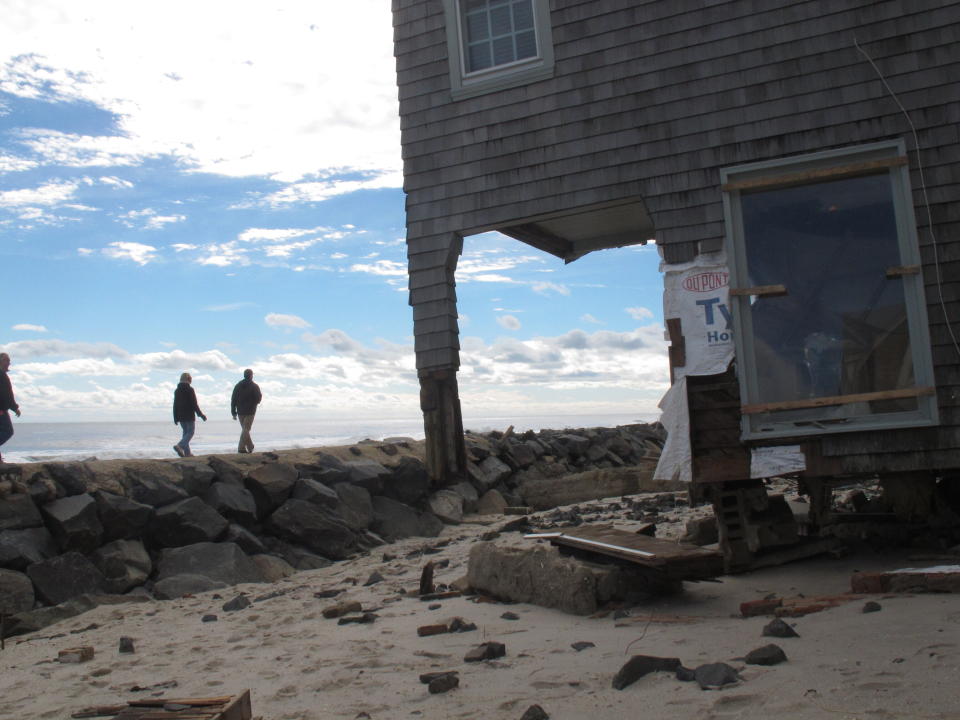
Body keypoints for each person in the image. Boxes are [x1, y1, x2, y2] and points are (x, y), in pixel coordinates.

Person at [172, 372, 206, 457]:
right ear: (188, 379)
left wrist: (175, 417)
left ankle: (187, 453)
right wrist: (201, 415)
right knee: (190, 432)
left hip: (180, 415)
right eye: (190, 378)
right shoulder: (190, 389)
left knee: (185, 433)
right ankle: (180, 446)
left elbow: (175, 404)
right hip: (189, 414)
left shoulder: (177, 390)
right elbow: (194, 404)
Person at [230, 368, 262, 454]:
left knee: (245, 429)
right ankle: (241, 448)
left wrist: (233, 412)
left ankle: (250, 446)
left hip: (240, 411)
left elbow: (233, 399)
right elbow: (259, 398)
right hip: (250, 411)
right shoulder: (254, 386)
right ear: (251, 376)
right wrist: (254, 403)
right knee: (246, 429)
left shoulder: (238, 386)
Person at [0, 353, 20, 464]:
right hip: (1, 410)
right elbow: (6, 394)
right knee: (7, 431)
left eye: (9, 360)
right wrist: (15, 407)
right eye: (6, 360)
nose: (8, 363)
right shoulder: (1, 375)